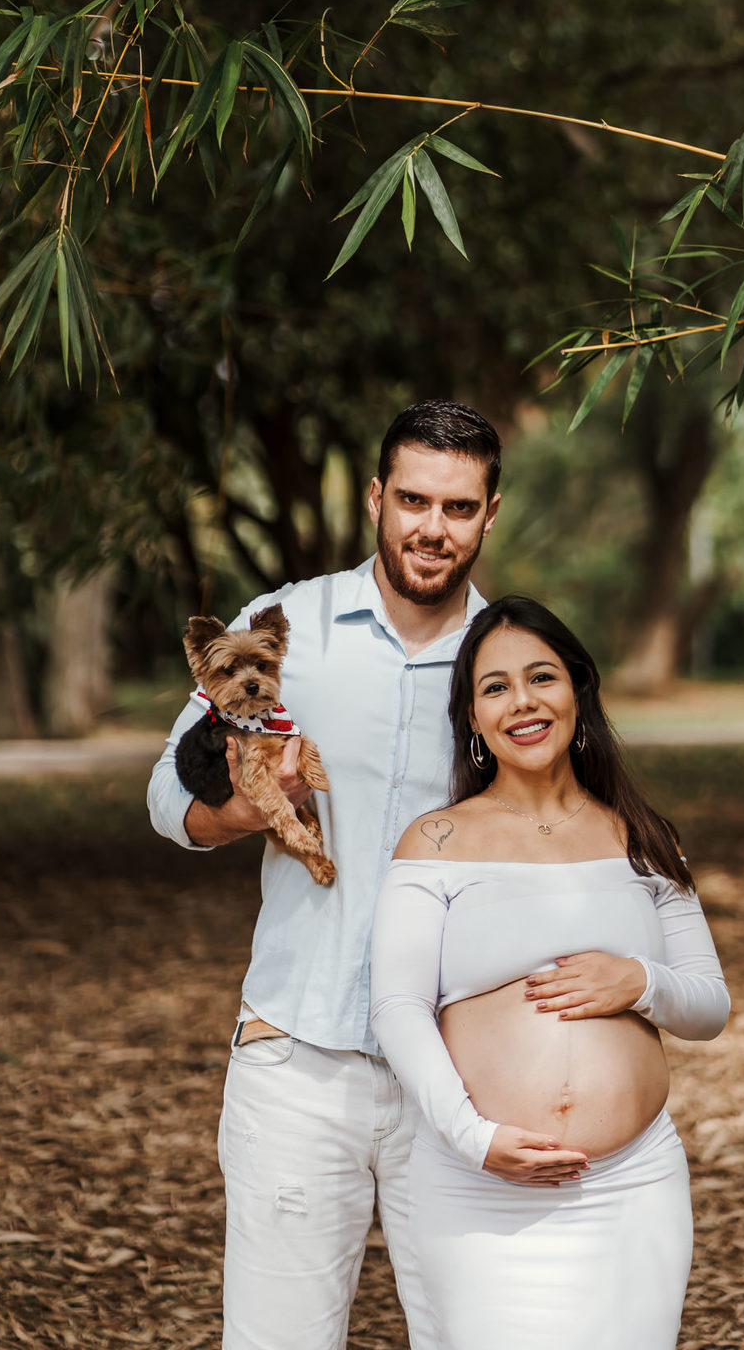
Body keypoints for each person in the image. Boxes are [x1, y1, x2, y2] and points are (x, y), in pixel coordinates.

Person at [147, 400, 504, 1350]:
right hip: (298, 1059)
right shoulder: (287, 621)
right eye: (415, 500)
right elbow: (161, 790)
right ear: (378, 501)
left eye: (459, 508)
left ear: (489, 516)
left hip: (463, 1071)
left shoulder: (509, 657)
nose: (433, 528)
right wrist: (249, 809)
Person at [369, 594, 730, 1350]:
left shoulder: (640, 834)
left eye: (543, 677)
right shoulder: (436, 839)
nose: (522, 702)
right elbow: (398, 1006)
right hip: (482, 1185)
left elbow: (708, 1005)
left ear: (578, 691)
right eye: (495, 687)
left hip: (635, 1185)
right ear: (471, 717)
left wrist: (640, 981)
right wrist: (472, 1138)